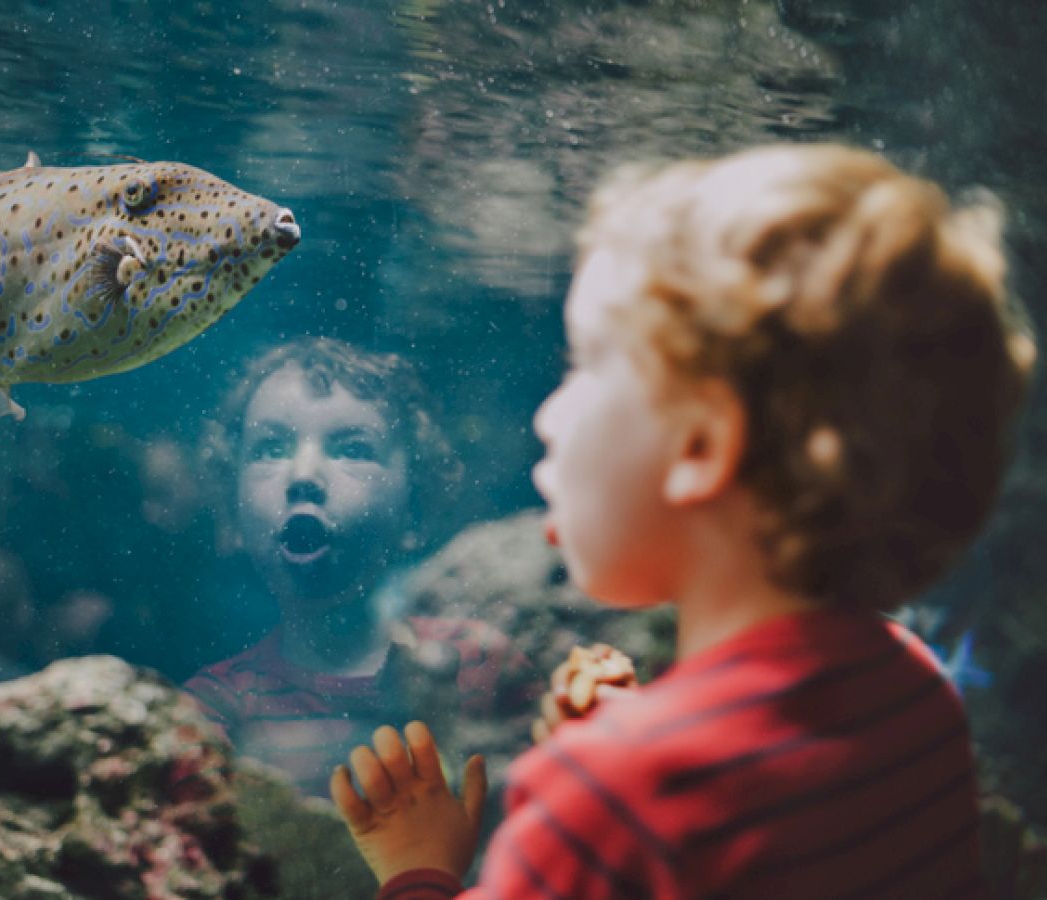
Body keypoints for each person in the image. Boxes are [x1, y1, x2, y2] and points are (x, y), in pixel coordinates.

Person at [329, 144, 1035, 898]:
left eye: (582, 365)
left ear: (702, 444)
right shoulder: (915, 695)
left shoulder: (601, 795)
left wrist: (421, 872)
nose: (547, 417)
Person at [183, 336, 534, 797]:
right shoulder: (213, 710)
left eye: (352, 449)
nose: (303, 475)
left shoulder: (479, 666)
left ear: (414, 506)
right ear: (230, 510)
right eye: (271, 448)